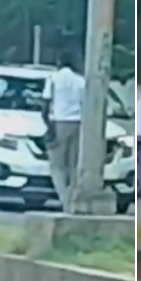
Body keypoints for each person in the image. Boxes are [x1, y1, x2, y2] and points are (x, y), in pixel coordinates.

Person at [41, 50, 85, 211]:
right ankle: (74, 200)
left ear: (59, 61)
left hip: (59, 122)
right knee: (73, 165)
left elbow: (45, 106)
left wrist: (49, 127)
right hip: (78, 124)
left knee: (57, 166)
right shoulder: (80, 81)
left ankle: (65, 201)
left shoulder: (53, 79)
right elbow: (84, 104)